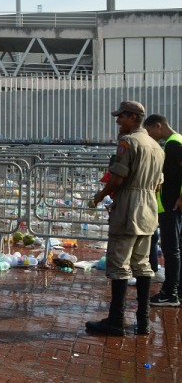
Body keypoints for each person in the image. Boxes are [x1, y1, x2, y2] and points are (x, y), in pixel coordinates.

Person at [86, 101, 164, 336]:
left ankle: (116, 320)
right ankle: (144, 321)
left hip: (129, 207)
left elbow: (118, 177)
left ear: (133, 118)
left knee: (119, 264)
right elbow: (158, 184)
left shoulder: (128, 142)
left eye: (121, 117)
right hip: (149, 209)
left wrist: (100, 196)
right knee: (143, 265)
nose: (118, 121)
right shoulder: (156, 146)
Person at [143, 114, 182, 307]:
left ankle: (170, 292)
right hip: (170, 203)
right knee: (175, 248)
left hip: (170, 204)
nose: (149, 135)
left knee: (171, 249)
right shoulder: (175, 142)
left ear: (158, 126)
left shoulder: (174, 144)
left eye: (150, 131)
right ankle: (177, 290)